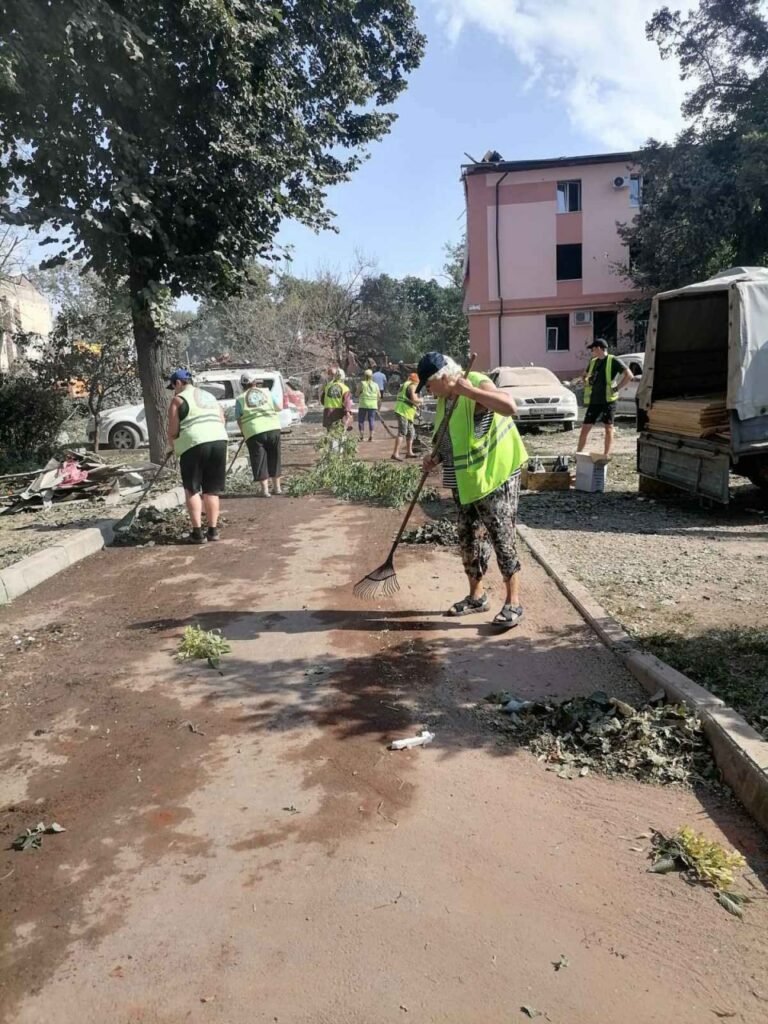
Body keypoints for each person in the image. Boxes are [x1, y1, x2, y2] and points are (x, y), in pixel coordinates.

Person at [418, 352, 528, 629]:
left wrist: (470, 391)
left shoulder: (475, 381)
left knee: (501, 535)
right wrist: (435, 459)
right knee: (468, 537)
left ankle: (513, 601)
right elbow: (449, 438)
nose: (428, 392)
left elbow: (509, 406)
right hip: (467, 481)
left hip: (495, 475)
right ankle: (477, 596)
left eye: (429, 385)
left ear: (442, 378)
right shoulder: (445, 401)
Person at [166, 368, 228, 544]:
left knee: (192, 488)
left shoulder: (178, 400)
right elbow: (221, 420)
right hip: (218, 441)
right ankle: (213, 530)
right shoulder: (210, 397)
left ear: (178, 383)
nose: (174, 390)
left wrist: (172, 446)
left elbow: (172, 430)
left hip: (193, 444)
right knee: (211, 490)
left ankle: (197, 533)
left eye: (173, 386)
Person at [576, 338, 634, 457]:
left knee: (608, 428)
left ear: (599, 348)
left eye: (593, 349)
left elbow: (629, 375)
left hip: (608, 401)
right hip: (594, 401)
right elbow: (584, 375)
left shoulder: (613, 360)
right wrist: (586, 380)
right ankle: (578, 454)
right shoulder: (593, 362)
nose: (592, 351)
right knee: (585, 428)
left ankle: (606, 455)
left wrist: (617, 388)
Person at [236, 372, 283, 497]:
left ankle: (265, 490)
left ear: (242, 385)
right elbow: (279, 407)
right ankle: (277, 487)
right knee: (274, 456)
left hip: (254, 432)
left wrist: (244, 433)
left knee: (259, 459)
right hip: (273, 428)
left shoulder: (240, 399)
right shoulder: (267, 393)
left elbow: (239, 419)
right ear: (255, 382)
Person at [392, 372, 421, 460]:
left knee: (411, 432)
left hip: (406, 411)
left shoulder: (405, 384)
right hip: (403, 411)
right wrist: (421, 400)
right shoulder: (412, 385)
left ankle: (409, 452)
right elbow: (414, 398)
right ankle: (395, 453)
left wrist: (415, 407)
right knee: (402, 432)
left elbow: (408, 399)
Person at [356, 369, 381, 441]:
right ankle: (371, 436)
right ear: (372, 376)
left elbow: (357, 394)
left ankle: (361, 436)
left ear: (364, 376)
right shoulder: (375, 385)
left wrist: (359, 393)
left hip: (363, 404)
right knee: (371, 420)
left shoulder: (362, 383)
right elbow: (379, 396)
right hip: (373, 405)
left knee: (361, 420)